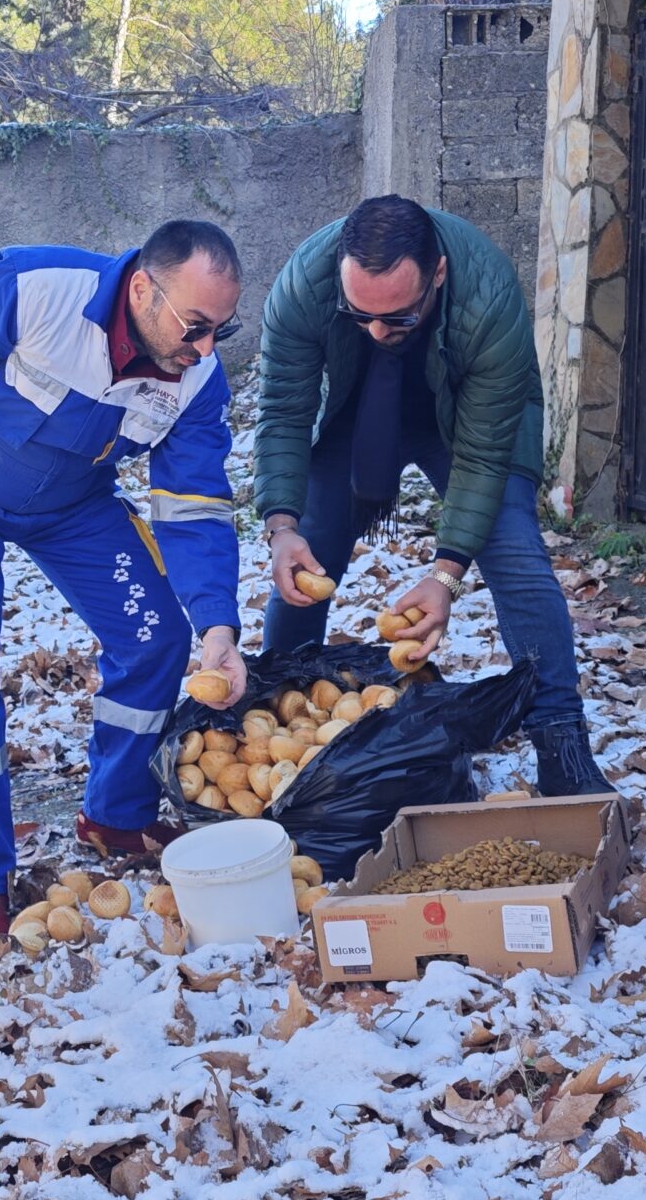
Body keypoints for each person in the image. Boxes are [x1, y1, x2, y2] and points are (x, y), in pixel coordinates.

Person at [0, 220, 249, 940]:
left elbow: (192, 505)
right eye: (195, 326)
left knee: (157, 637)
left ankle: (116, 813)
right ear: (141, 290)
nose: (206, 348)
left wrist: (218, 624)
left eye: (222, 329)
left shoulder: (198, 378)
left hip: (73, 503)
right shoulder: (33, 288)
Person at [252, 193, 614, 797]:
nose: (374, 330)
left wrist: (445, 576)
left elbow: (482, 456)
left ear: (437, 275)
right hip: (357, 414)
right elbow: (284, 411)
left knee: (516, 557)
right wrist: (282, 526)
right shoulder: (302, 286)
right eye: (357, 313)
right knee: (308, 547)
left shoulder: (488, 294)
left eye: (396, 317)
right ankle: (273, 714)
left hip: (469, 422)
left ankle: (561, 742)